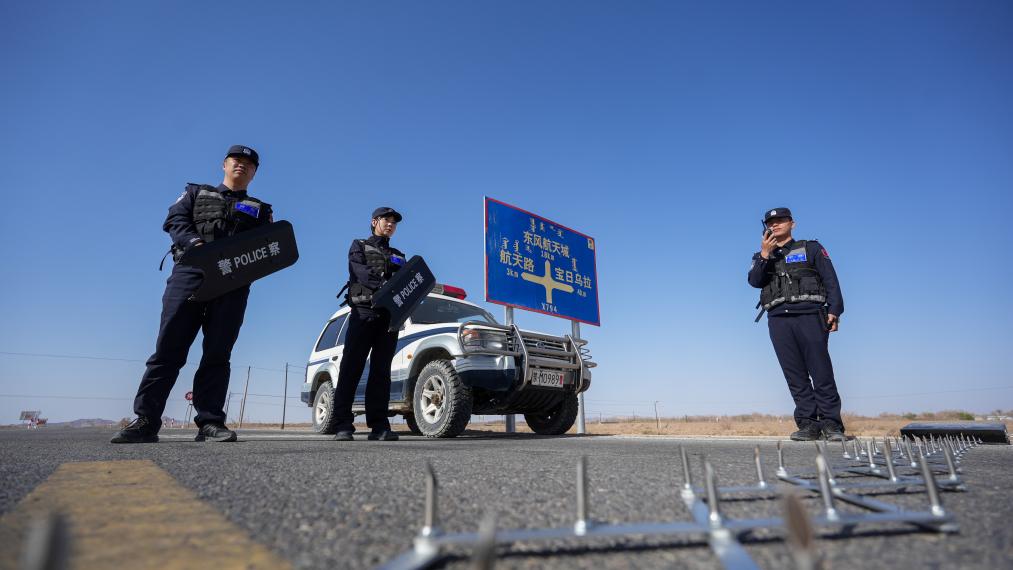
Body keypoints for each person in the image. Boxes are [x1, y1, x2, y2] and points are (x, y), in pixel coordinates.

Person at [112, 145, 273, 444]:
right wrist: (196, 244)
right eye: (236, 160)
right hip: (190, 274)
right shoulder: (195, 193)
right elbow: (175, 221)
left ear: (254, 173)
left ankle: (210, 422)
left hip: (232, 283)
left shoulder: (261, 209)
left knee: (218, 353)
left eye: (249, 164)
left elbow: (268, 247)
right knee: (168, 350)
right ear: (224, 164)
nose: (241, 165)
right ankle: (146, 420)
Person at [748, 208, 846, 441]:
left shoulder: (811, 248)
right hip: (778, 320)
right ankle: (808, 424)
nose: (775, 225)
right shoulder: (762, 256)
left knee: (821, 371)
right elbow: (754, 281)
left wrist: (834, 310)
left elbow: (830, 279)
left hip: (810, 315)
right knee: (795, 375)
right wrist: (765, 254)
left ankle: (831, 424)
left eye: (781, 220)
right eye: (771, 222)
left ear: (792, 223)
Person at [331, 207, 407, 441]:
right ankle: (343, 424)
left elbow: (406, 281)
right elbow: (361, 272)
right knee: (351, 368)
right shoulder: (359, 245)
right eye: (386, 220)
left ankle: (379, 426)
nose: (390, 224)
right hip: (364, 311)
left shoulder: (398, 254)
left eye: (394, 222)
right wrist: (386, 285)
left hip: (388, 317)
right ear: (374, 222)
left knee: (381, 372)